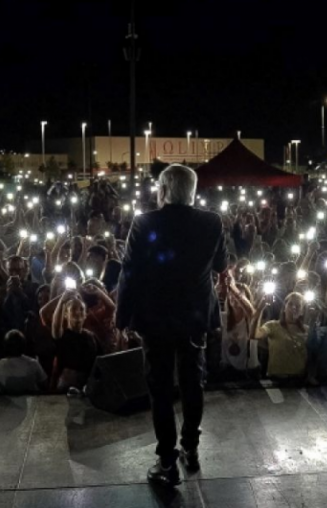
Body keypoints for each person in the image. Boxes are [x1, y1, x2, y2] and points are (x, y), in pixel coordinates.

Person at [116, 164, 227, 486]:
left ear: (163, 190)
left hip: (156, 319)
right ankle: (190, 448)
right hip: (195, 318)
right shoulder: (211, 221)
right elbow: (221, 264)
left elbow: (129, 272)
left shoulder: (144, 222)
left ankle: (167, 460)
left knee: (160, 388)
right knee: (193, 382)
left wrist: (122, 318)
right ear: (192, 191)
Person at [0, 330, 48, 394]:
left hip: (6, 403)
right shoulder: (33, 364)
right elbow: (44, 385)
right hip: (31, 403)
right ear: (23, 345)